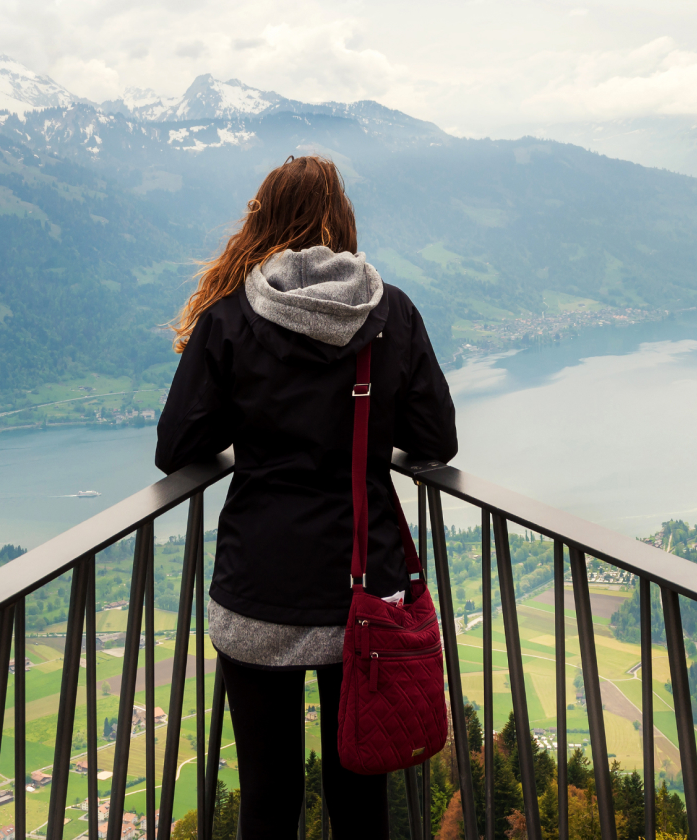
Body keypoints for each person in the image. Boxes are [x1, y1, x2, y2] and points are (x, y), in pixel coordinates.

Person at [155, 156, 458, 838]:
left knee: (267, 798)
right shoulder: (394, 314)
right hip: (363, 591)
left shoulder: (230, 318)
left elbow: (176, 448)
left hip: (258, 586)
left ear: (261, 222)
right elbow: (437, 437)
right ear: (342, 218)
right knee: (360, 801)